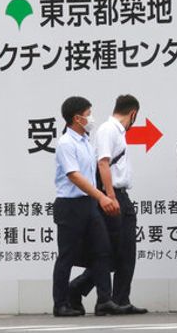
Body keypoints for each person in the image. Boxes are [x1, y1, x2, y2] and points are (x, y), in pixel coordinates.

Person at [69, 94, 147, 314]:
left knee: (124, 252)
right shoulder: (108, 130)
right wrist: (111, 196)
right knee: (112, 252)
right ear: (133, 113)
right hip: (113, 196)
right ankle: (78, 290)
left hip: (119, 195)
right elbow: (103, 163)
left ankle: (120, 299)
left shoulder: (115, 132)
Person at [50, 96, 123, 317]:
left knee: (102, 251)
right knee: (67, 256)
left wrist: (103, 197)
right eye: (88, 113)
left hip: (89, 204)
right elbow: (75, 176)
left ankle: (104, 300)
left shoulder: (86, 141)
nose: (91, 118)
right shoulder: (65, 143)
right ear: (77, 118)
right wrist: (102, 197)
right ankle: (60, 304)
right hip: (70, 206)